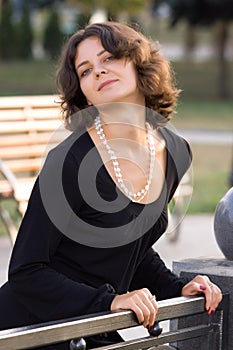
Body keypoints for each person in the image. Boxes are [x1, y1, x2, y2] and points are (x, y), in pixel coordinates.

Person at [0, 22, 222, 349]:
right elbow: (26, 272)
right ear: (83, 93)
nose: (99, 72)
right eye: (86, 70)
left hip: (92, 323)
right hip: (32, 329)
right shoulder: (69, 162)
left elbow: (131, 247)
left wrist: (177, 288)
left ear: (139, 63)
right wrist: (109, 302)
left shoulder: (175, 153)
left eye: (109, 59)